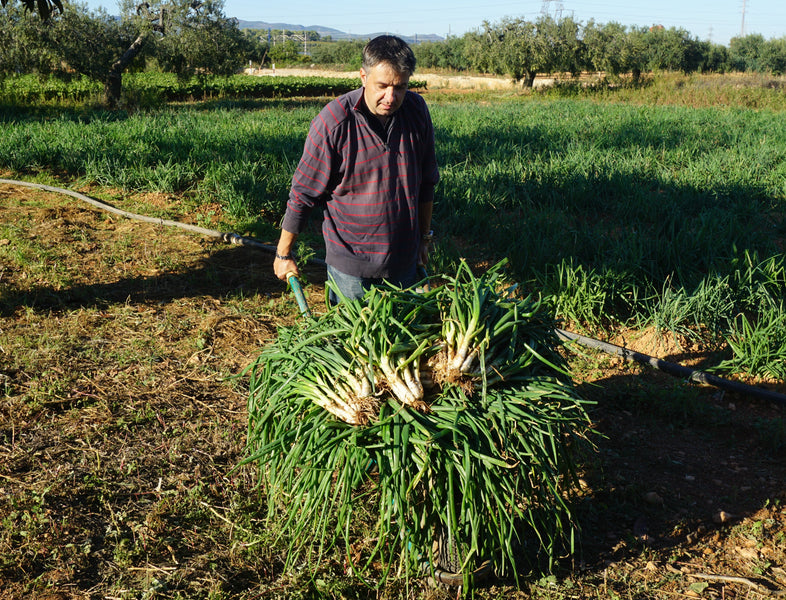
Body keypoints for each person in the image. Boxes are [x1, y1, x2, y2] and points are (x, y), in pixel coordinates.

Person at [273, 35, 439, 303]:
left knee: (402, 340)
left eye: (401, 87)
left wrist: (423, 239)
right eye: (382, 86)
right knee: (353, 342)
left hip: (403, 261)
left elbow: (427, 182)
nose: (391, 97)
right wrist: (284, 254)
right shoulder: (334, 122)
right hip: (351, 268)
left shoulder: (416, 111)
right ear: (363, 76)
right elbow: (303, 194)